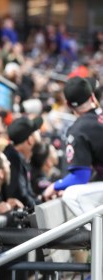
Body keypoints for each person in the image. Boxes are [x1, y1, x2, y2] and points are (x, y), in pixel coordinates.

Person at [43, 76, 103, 215]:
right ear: (92, 97)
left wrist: (56, 185)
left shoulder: (78, 129)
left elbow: (81, 176)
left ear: (69, 105)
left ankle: (96, 235)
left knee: (71, 194)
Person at [3, 116, 42, 209]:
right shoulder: (12, 159)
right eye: (35, 132)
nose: (39, 134)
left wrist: (41, 199)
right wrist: (40, 205)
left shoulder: (15, 156)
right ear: (30, 140)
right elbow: (19, 195)